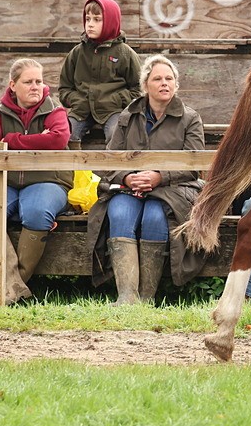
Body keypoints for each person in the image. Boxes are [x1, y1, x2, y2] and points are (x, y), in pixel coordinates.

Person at [86, 55, 205, 305]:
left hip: (172, 189)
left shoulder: (190, 118)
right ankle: (127, 298)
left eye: (169, 79)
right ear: (145, 85)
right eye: (158, 79)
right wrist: (127, 177)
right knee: (118, 212)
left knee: (154, 217)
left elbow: (195, 165)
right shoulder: (127, 116)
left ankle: (148, 297)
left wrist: (160, 176)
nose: (165, 83)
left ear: (176, 84)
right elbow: (111, 159)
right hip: (130, 189)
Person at [0, 58, 72, 303]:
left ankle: (10, 287)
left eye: (39, 81)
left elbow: (58, 140)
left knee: (37, 210)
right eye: (28, 82)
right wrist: (37, 139)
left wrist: (12, 140)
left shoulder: (55, 110)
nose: (35, 86)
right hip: (4, 181)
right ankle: (15, 290)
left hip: (48, 180)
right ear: (13, 85)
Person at [59, 0, 141, 149]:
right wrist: (75, 100)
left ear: (110, 21)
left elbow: (138, 89)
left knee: (115, 135)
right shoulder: (77, 53)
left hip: (113, 111)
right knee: (65, 134)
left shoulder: (125, 54)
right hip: (81, 111)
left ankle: (114, 172)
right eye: (87, 19)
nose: (90, 24)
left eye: (97, 19)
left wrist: (117, 100)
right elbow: (64, 88)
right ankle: (73, 171)